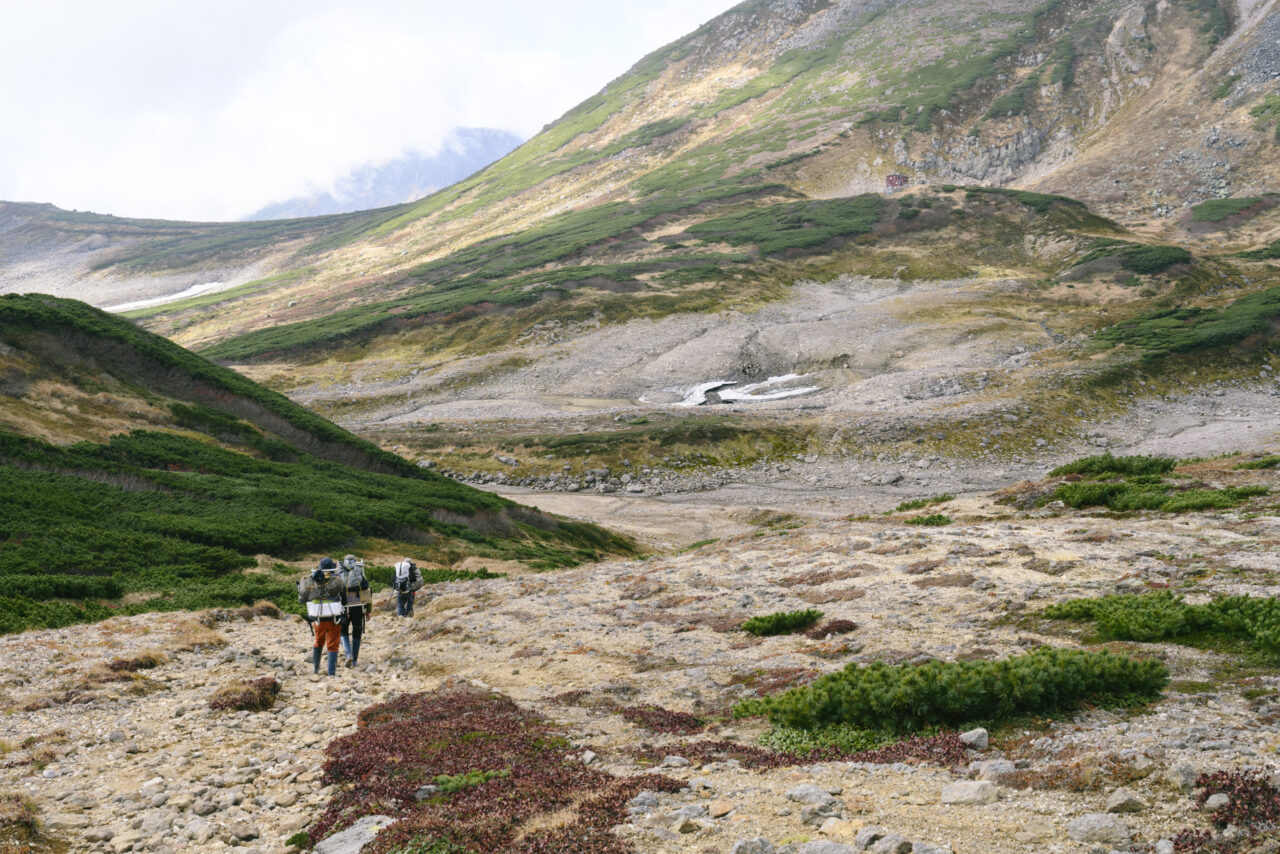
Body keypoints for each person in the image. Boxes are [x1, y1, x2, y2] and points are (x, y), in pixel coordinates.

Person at [298, 556, 345, 676]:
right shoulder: (336, 580)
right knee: (333, 643)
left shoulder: (312, 581)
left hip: (317, 617)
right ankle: (331, 673)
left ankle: (316, 669)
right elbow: (343, 597)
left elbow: (302, 600)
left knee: (318, 641)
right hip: (334, 617)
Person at [337, 554, 371, 668]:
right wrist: (368, 610)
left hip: (344, 608)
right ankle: (355, 660)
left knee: (343, 631)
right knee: (357, 632)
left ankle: (348, 655)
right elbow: (366, 591)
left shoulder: (340, 573)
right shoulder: (360, 572)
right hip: (358, 607)